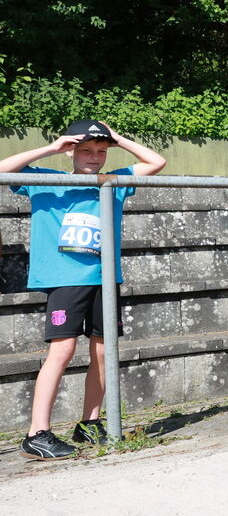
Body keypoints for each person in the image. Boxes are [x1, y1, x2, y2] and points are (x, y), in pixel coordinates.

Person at [2, 120, 166, 459]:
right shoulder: (45, 179)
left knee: (103, 354)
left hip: (104, 278)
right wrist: (51, 147)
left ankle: (89, 423)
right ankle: (37, 432)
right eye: (86, 150)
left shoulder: (113, 182)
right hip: (64, 279)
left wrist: (118, 138)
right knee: (61, 353)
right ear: (71, 152)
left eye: (101, 151)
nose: (94, 157)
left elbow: (156, 162)